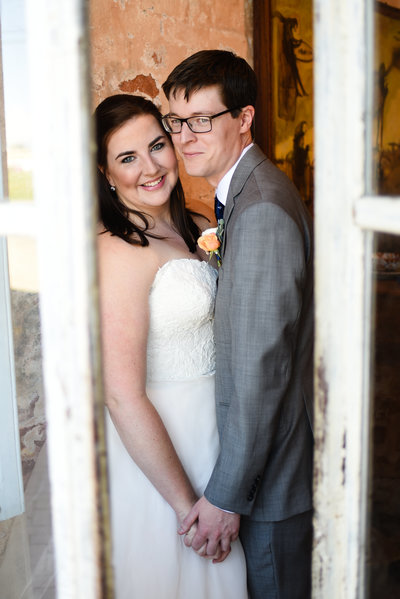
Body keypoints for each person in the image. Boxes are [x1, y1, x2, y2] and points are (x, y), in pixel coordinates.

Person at [162, 50, 314, 599]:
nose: (185, 137)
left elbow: (260, 371)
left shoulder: (262, 210)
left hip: (269, 484)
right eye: (176, 122)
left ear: (243, 118)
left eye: (202, 120)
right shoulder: (243, 195)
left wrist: (225, 498)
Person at [94, 93, 248, 599]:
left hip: (216, 437)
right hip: (163, 454)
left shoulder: (202, 225)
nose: (151, 167)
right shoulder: (118, 249)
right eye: (127, 157)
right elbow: (120, 394)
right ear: (105, 171)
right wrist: (186, 506)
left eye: (157, 145)